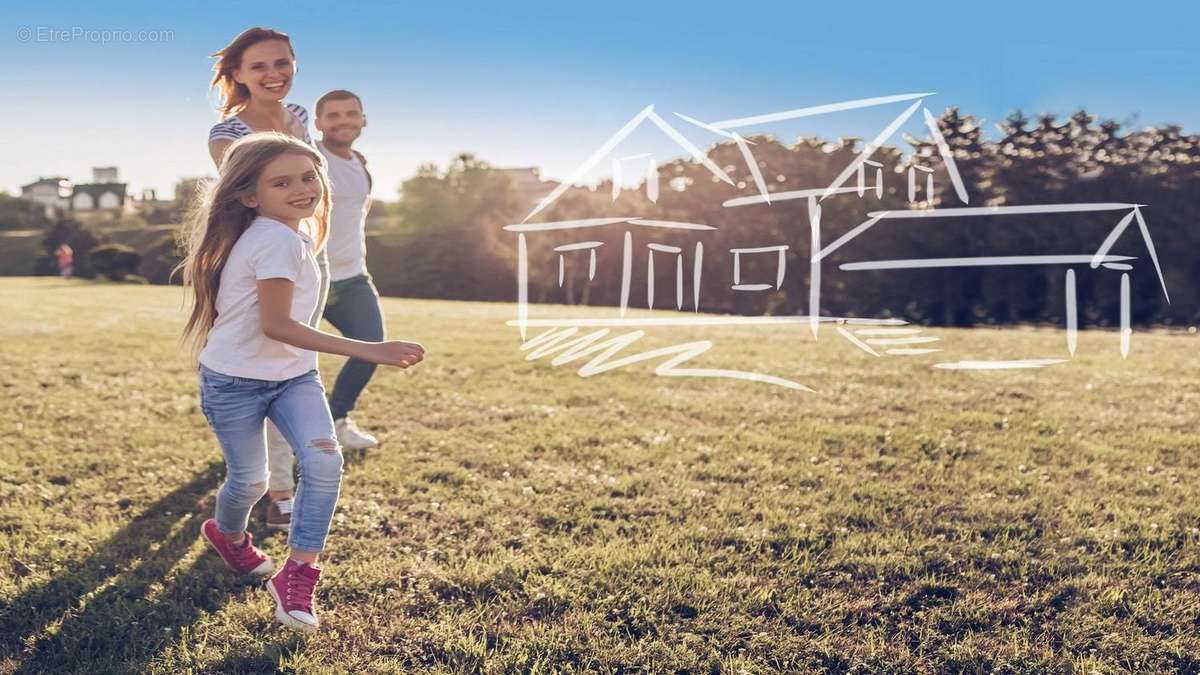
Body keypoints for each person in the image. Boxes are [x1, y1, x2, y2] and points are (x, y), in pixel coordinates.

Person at [175, 132, 425, 632]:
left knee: (325, 461)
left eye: (309, 177)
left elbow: (284, 333)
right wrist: (369, 348)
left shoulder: (293, 234)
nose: (301, 189)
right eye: (281, 182)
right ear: (250, 196)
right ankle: (229, 537)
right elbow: (278, 326)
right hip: (234, 381)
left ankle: (298, 572)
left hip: (293, 376)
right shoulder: (277, 240)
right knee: (250, 482)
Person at [207, 26, 325, 531]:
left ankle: (277, 483)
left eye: (283, 63)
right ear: (237, 75)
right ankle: (276, 489)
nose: (274, 74)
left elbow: (307, 174)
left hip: (302, 249)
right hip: (256, 256)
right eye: (259, 66)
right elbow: (251, 198)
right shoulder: (227, 135)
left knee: (293, 364)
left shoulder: (298, 117)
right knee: (269, 361)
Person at [313, 89, 386, 449]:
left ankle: (336, 421)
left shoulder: (360, 162)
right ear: (318, 123)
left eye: (350, 114)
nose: (343, 121)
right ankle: (278, 435)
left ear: (363, 120)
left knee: (371, 347)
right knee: (289, 360)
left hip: (354, 275)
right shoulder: (310, 159)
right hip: (309, 277)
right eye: (333, 115)